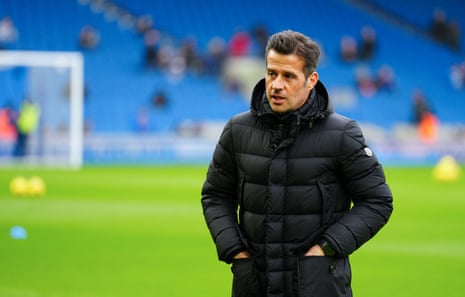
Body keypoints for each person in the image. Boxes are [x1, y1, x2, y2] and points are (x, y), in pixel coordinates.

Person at [201, 30, 393, 297]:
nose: (276, 84)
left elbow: (377, 201)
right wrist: (236, 251)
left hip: (318, 286)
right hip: (253, 286)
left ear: (311, 80)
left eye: (289, 76)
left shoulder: (342, 134)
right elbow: (215, 195)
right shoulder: (237, 130)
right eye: (271, 73)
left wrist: (325, 249)